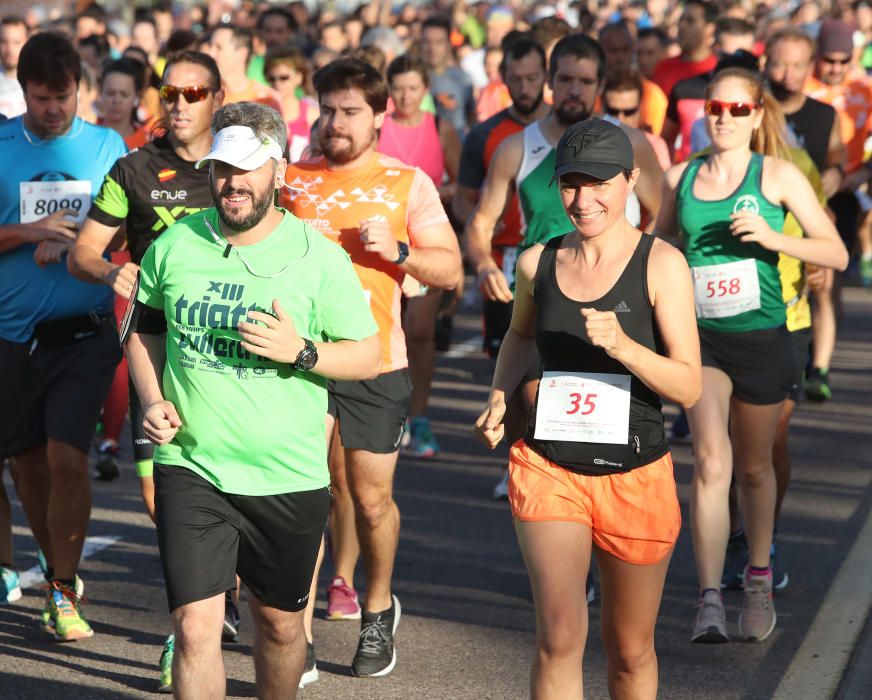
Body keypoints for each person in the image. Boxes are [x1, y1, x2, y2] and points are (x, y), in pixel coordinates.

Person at [125, 101, 381, 697]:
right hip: (192, 464)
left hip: (285, 474)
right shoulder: (174, 245)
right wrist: (151, 398)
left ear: (279, 171)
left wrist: (303, 352)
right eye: (221, 167)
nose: (232, 182)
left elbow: (367, 355)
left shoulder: (320, 258)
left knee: (280, 627)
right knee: (194, 631)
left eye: (247, 168)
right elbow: (145, 328)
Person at [474, 117, 702, 699]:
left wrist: (625, 345)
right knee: (559, 634)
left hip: (635, 473)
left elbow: (689, 387)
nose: (584, 199)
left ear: (631, 180)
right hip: (551, 467)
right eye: (571, 183)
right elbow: (521, 337)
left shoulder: (662, 265)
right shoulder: (536, 263)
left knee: (629, 650)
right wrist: (500, 395)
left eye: (600, 182)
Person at [281, 58, 462, 677]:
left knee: (369, 498)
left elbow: (452, 269)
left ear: (381, 116)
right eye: (328, 109)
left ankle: (378, 609)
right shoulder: (293, 180)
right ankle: (295, 634)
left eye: (351, 111)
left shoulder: (407, 183)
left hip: (375, 364)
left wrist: (402, 252)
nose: (336, 122)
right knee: (302, 496)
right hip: (296, 364)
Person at [655, 67, 848, 643]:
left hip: (765, 337)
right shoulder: (680, 177)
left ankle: (758, 575)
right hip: (702, 339)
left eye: (739, 109)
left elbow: (834, 252)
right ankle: (710, 596)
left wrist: (774, 239)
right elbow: (658, 245)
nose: (724, 117)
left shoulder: (778, 176)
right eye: (716, 106)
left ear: (757, 115)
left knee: (755, 465)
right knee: (711, 463)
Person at [68, 50, 224, 690]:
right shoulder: (132, 168)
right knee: (165, 497)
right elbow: (82, 250)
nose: (180, 102)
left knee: (233, 490)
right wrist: (111, 269)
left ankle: (215, 608)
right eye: (170, 92)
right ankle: (190, 621)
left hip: (230, 357)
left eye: (194, 92)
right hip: (153, 356)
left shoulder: (238, 168)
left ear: (217, 98)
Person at [0, 31, 126, 639]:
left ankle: (61, 592)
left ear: (83, 89)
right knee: (27, 466)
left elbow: (129, 235)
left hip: (84, 332)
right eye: (43, 97)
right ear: (23, 90)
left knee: (66, 458)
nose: (54, 108)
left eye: (65, 96)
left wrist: (83, 243)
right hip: (10, 335)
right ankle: (58, 573)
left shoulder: (107, 145)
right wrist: (28, 232)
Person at [454, 37, 550, 497]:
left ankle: (551, 462)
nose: (526, 86)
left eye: (534, 77)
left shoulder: (567, 132)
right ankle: (517, 460)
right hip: (508, 259)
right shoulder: (486, 135)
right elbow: (466, 200)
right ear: (504, 79)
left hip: (558, 258)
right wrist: (484, 259)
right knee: (511, 374)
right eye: (517, 78)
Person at [378, 52, 462, 457]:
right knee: (383, 329)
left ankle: (421, 416)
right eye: (398, 88)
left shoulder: (440, 128)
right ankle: (390, 413)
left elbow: (463, 189)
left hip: (426, 243)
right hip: (380, 245)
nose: (406, 96)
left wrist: (428, 195)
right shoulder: (378, 128)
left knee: (421, 331)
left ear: (426, 91)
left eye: (413, 88)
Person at [804, 19, 872, 400]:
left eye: (842, 60)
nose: (834, 67)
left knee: (829, 282)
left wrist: (860, 173)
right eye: (828, 59)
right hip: (801, 194)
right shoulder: (805, 88)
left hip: (843, 193)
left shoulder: (866, 89)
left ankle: (820, 361)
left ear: (854, 57)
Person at [598, 20, 668, 136]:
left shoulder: (652, 94)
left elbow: (653, 140)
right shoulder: (587, 89)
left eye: (625, 50)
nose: (620, 57)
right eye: (613, 50)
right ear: (600, 51)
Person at [207, 24, 283, 118]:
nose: (210, 53)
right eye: (210, 46)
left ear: (242, 53)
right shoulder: (203, 95)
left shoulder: (266, 99)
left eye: (219, 47)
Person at [421, 14, 477, 138]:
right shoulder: (408, 80)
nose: (432, 48)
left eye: (439, 42)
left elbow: (473, 121)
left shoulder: (463, 79)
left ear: (448, 44)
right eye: (427, 42)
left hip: (456, 154)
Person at [604, 71, 671, 171]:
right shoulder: (587, 142)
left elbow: (662, 184)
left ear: (640, 109)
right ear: (602, 106)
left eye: (629, 112)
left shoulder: (654, 146)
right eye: (613, 111)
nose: (620, 119)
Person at [652, 0, 718, 101]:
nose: (681, 26)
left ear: (709, 29)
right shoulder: (663, 68)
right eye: (681, 20)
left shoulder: (718, 70)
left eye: (690, 21)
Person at [264, 45, 319, 162]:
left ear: (299, 78)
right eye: (272, 78)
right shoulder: (262, 113)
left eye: (284, 77)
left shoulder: (312, 114)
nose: (277, 83)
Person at [0, 16, 27, 117]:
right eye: (4, 42)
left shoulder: (42, 81)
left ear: (27, 42)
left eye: (16, 42)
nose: (9, 50)